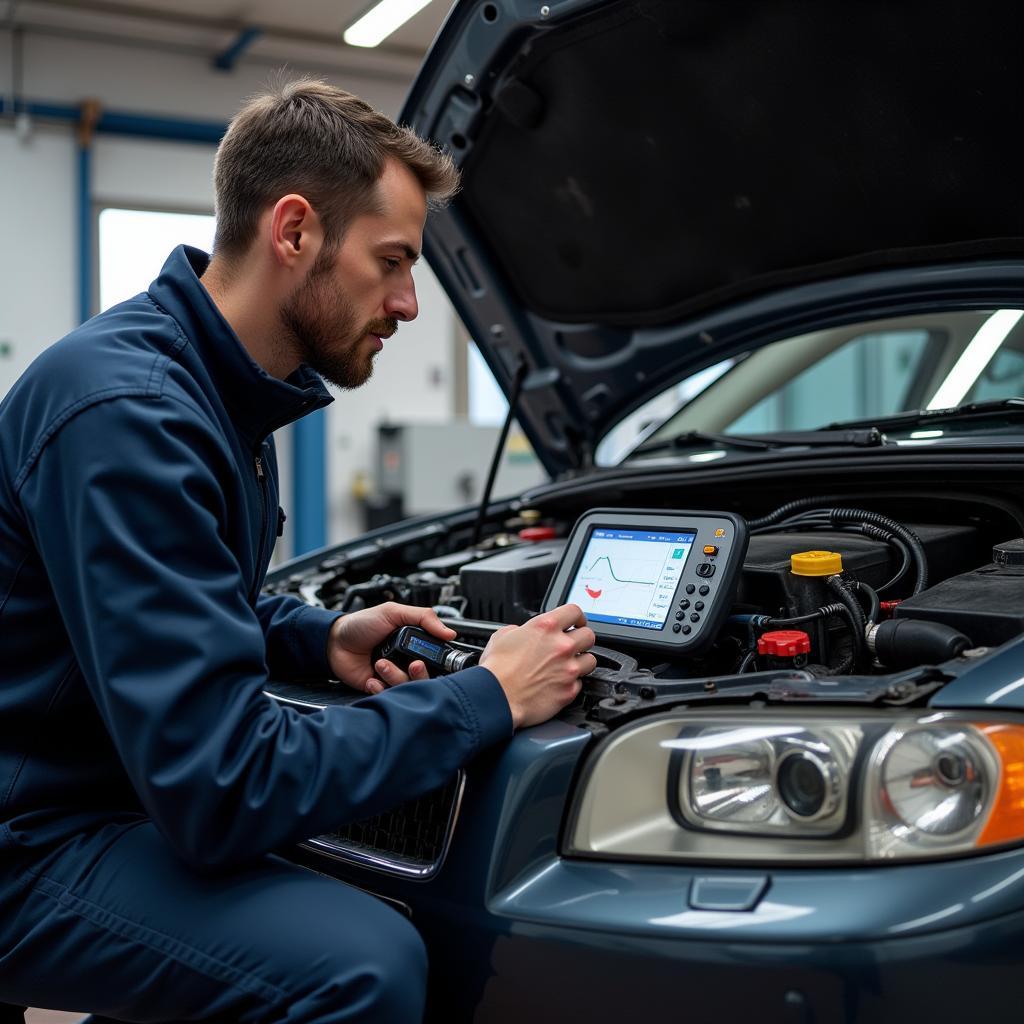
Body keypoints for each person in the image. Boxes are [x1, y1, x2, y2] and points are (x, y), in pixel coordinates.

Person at [0, 78, 597, 1023]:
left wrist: (312, 637)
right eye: (393, 261)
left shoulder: (210, 389)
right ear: (294, 232)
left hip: (96, 788)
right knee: (362, 963)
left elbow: (178, 604)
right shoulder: (131, 415)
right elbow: (219, 785)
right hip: (29, 839)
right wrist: (487, 697)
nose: (408, 302)